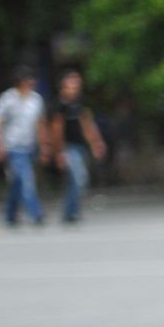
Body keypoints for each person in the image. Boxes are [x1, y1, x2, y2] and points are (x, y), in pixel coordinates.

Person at [0, 66, 49, 227]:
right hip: (13, 147)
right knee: (26, 179)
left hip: (29, 146)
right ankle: (36, 213)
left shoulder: (36, 100)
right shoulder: (7, 99)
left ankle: (10, 213)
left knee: (17, 182)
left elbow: (40, 124)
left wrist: (44, 146)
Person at [48, 68, 108, 224]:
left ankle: (70, 212)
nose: (75, 85)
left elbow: (87, 124)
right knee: (79, 178)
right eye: (72, 82)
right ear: (64, 84)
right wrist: (59, 152)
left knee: (74, 180)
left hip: (80, 146)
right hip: (68, 147)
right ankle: (71, 211)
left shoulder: (80, 102)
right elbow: (56, 129)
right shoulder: (59, 104)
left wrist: (96, 143)